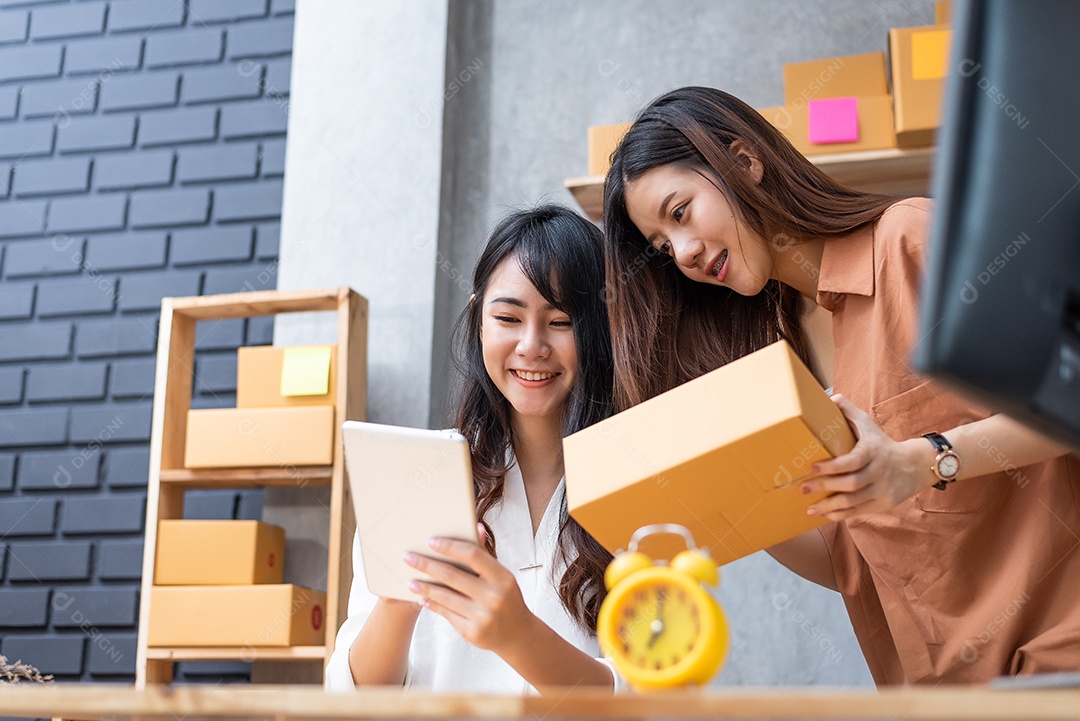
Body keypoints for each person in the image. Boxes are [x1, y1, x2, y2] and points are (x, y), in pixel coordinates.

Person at [601, 86, 1078, 685]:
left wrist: (924, 459)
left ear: (744, 162)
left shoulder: (910, 241)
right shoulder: (780, 359)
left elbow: (1069, 400)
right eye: (662, 246)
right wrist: (723, 508)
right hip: (943, 696)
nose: (684, 254)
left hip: (1059, 662)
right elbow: (850, 563)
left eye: (680, 213)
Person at [325, 205, 621, 694]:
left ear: (601, 329)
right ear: (479, 320)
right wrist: (400, 599)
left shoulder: (642, 482)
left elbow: (653, 698)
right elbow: (353, 698)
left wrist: (519, 636)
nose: (531, 345)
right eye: (507, 317)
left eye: (561, 321)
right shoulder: (416, 475)